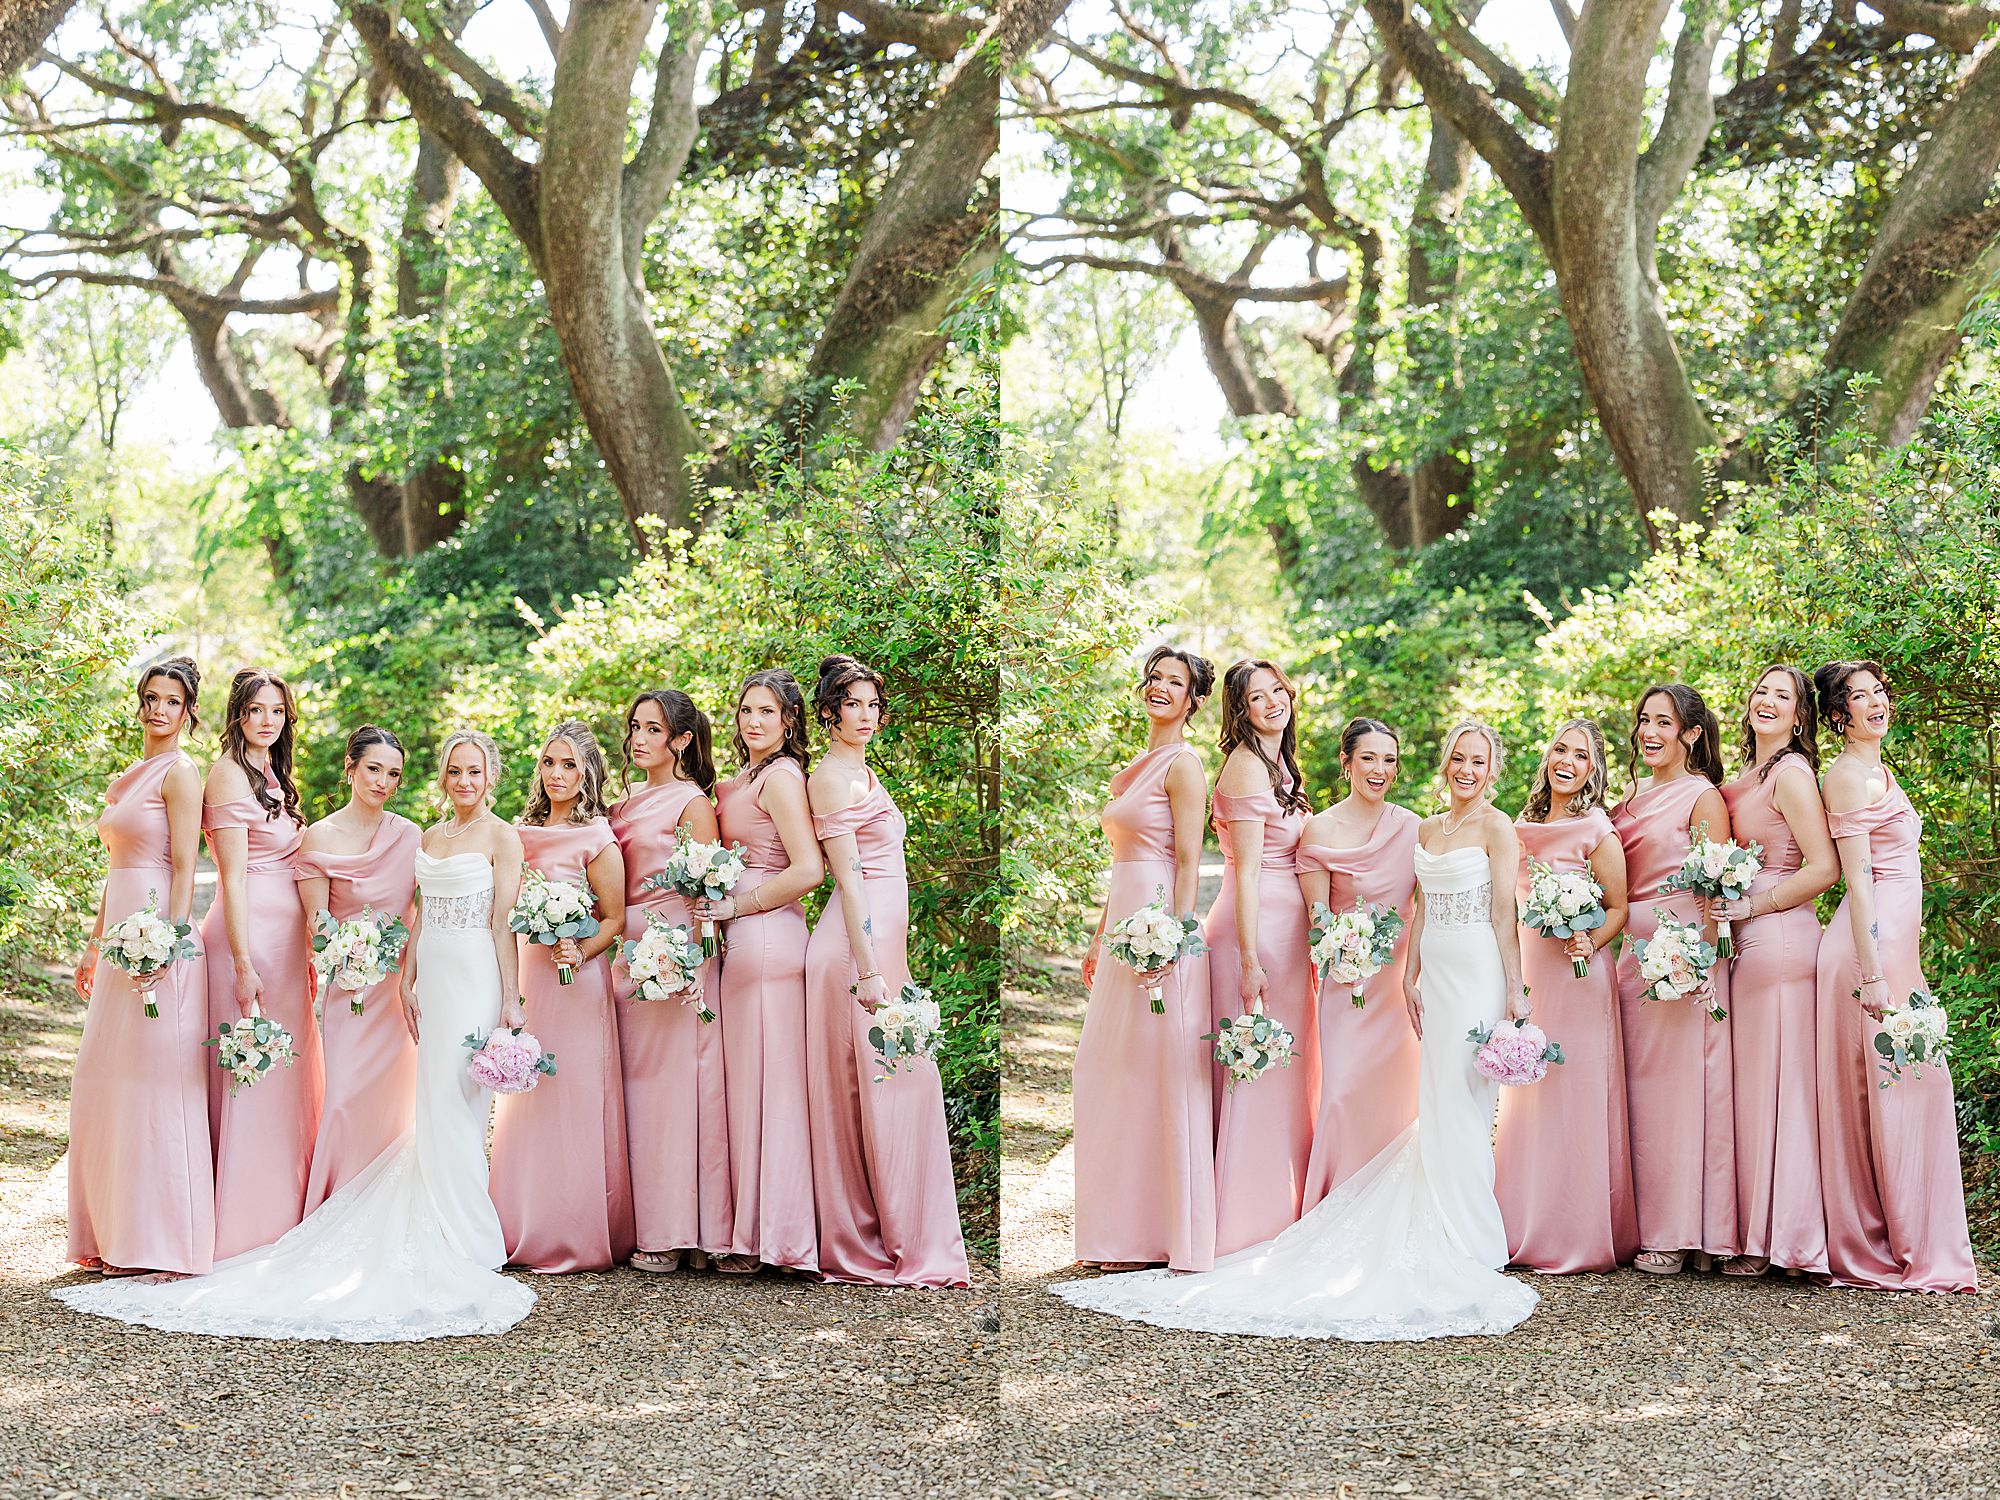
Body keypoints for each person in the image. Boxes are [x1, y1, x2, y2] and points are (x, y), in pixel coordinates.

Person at [1053, 722, 1538, 1341]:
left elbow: (1502, 910)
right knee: (1425, 1099)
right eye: (1459, 759)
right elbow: (1357, 912)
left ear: (1490, 770)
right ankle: (1366, 1205)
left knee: (1460, 1102)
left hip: (1472, 974)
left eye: (1478, 761)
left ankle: (1469, 1233)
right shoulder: (1419, 830)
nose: (1466, 769)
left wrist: (1516, 988)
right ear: (1350, 762)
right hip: (1401, 979)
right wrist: (1402, 971)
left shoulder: (1470, 826)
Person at [53, 729, 537, 1340]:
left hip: (442, 983)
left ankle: (460, 1229)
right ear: (351, 769)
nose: (384, 781)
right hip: (372, 987)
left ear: (488, 776)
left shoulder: (422, 835)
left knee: (443, 1107)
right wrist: (365, 962)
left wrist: (509, 997)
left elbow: (472, 919)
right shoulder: (364, 837)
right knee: (365, 1100)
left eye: (394, 772)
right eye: (374, 769)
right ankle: (341, 1208)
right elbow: (323, 922)